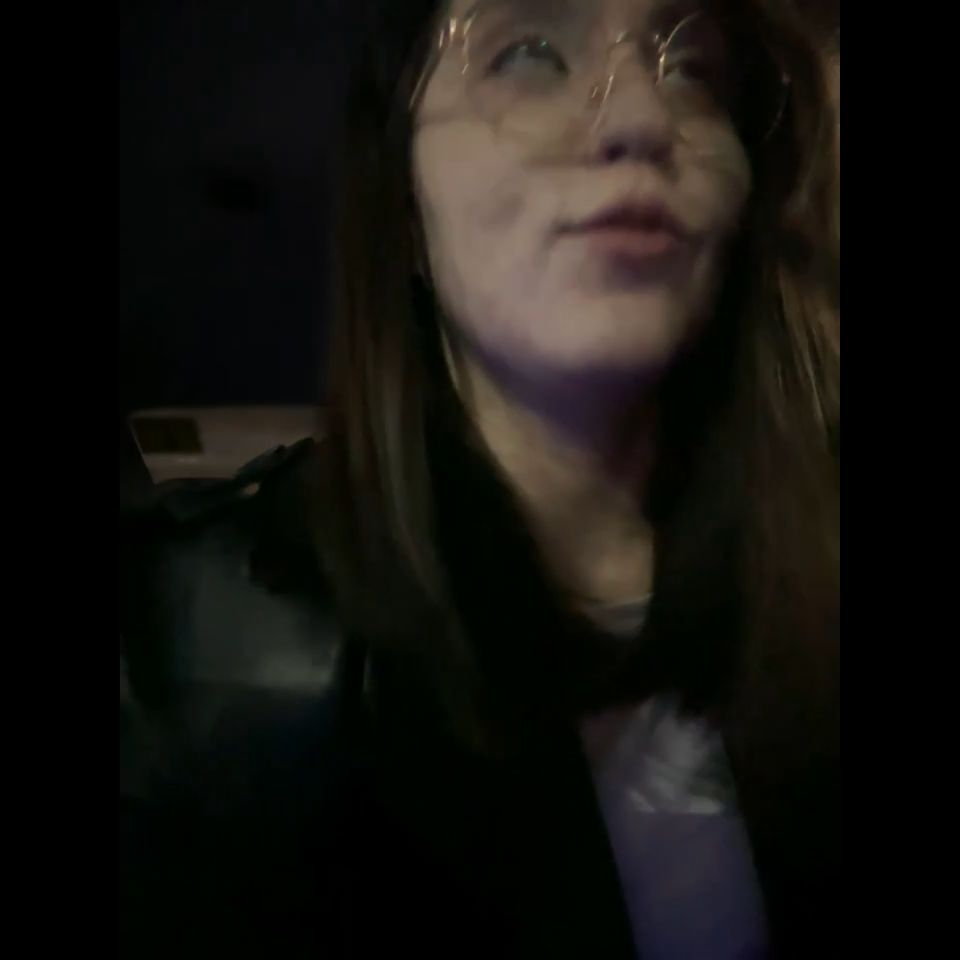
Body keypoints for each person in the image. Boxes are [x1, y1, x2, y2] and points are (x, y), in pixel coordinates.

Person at [121, 1, 839, 957]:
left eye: (692, 68)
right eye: (528, 53)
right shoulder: (184, 653)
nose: (641, 116)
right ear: (403, 213)